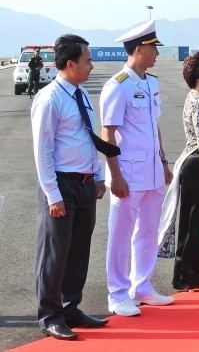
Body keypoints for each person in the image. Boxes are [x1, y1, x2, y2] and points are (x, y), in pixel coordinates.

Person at [31, 34, 111, 340]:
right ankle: (50, 315)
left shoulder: (81, 94)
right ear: (70, 64)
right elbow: (43, 151)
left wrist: (98, 174)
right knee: (55, 252)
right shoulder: (49, 98)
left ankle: (70, 307)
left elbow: (87, 138)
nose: (91, 65)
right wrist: (53, 194)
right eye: (87, 60)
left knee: (79, 250)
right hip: (61, 184)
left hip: (85, 183)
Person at [100, 20, 175, 316]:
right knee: (121, 234)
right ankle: (117, 293)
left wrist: (164, 162)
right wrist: (115, 175)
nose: (157, 53)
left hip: (153, 172)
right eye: (154, 48)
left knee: (148, 230)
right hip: (128, 173)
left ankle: (141, 285)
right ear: (140, 49)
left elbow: (153, 126)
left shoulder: (151, 82)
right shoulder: (117, 85)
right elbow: (108, 133)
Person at [158, 51, 199, 293]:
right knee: (195, 224)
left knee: (195, 223)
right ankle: (194, 276)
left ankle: (189, 275)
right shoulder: (198, 103)